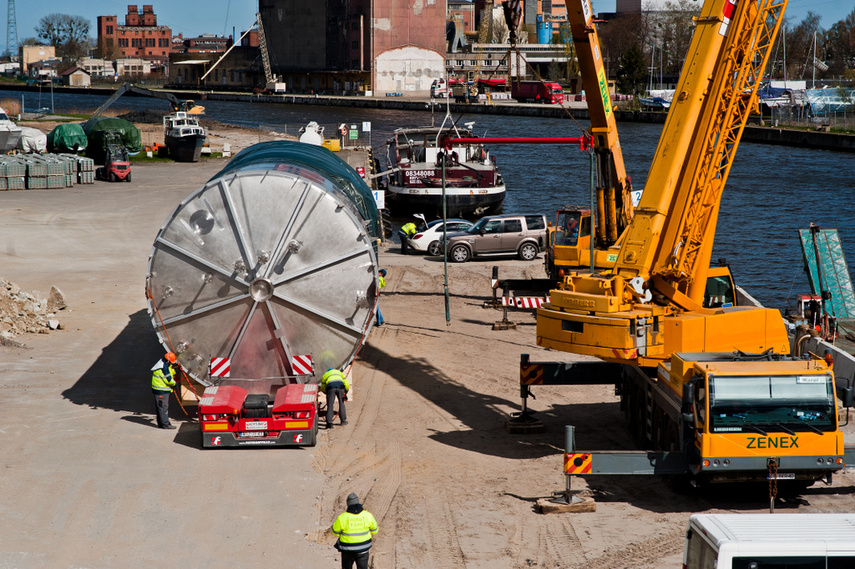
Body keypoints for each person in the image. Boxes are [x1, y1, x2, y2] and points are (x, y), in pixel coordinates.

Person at [332, 492, 378, 569]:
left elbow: (335, 532)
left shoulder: (342, 517)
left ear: (348, 504)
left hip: (347, 550)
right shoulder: (368, 515)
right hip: (363, 549)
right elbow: (375, 530)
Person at [151, 352, 179, 429]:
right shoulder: (163, 368)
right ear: (168, 360)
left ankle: (161, 423)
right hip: (161, 391)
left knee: (160, 408)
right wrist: (175, 384)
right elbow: (168, 379)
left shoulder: (164, 364)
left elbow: (170, 371)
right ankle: (165, 424)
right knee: (163, 408)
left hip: (160, 391)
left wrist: (176, 370)